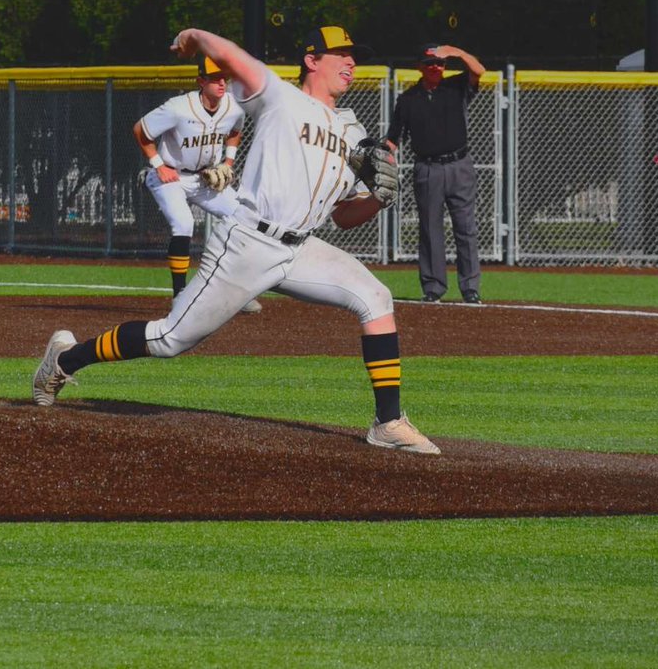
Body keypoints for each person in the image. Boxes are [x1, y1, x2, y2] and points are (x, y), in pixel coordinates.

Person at [33, 25, 440, 455]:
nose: (351, 62)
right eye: (341, 54)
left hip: (300, 248)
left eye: (354, 55)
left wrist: (377, 199)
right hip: (249, 242)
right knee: (170, 339)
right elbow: (231, 55)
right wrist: (195, 36)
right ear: (312, 60)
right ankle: (63, 360)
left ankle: (388, 421)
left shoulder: (352, 133)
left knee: (375, 297)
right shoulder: (279, 96)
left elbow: (343, 217)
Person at [133, 56, 260, 313]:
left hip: (205, 178)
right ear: (201, 81)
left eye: (224, 77)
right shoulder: (178, 107)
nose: (222, 83)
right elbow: (140, 130)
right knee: (184, 224)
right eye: (215, 79)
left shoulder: (233, 106)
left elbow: (235, 131)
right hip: (171, 177)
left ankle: (239, 292)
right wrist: (158, 165)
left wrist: (228, 162)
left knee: (245, 218)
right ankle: (180, 296)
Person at [387, 42, 486, 304]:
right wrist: (385, 157)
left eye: (440, 63)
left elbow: (479, 71)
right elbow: (393, 137)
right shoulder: (407, 99)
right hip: (427, 168)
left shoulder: (456, 86)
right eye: (430, 63)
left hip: (459, 165)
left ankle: (470, 288)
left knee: (465, 228)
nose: (435, 67)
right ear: (420, 67)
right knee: (430, 229)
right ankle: (433, 287)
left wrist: (458, 52)